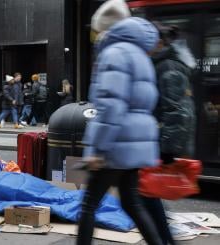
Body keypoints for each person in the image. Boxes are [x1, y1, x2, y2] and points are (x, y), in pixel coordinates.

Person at [77, 1, 165, 244]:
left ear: (105, 29)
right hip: (134, 145)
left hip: (115, 145)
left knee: (87, 205)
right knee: (132, 203)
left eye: (96, 31)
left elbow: (110, 105)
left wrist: (98, 150)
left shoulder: (113, 53)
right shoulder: (141, 55)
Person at [141, 23, 197, 245]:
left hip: (162, 140)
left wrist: (167, 150)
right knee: (147, 195)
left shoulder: (167, 67)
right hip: (159, 138)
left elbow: (176, 110)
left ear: (160, 43)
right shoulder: (164, 64)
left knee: (145, 194)